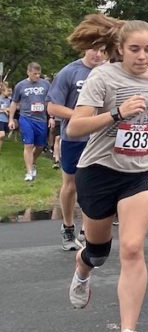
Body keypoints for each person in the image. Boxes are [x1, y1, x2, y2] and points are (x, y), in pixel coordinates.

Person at [64, 15, 148, 332]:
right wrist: (117, 114)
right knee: (99, 251)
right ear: (119, 49)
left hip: (143, 170)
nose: (142, 56)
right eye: (134, 49)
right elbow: (75, 127)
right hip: (100, 170)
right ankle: (83, 268)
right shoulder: (103, 77)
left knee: (133, 247)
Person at [47, 42, 109, 251]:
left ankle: (87, 230)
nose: (98, 55)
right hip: (75, 138)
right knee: (71, 184)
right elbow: (53, 107)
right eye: (94, 49)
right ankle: (67, 227)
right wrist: (81, 117)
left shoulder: (110, 72)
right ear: (85, 49)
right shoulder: (70, 72)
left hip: (101, 138)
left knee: (94, 185)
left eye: (103, 51)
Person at [10, 62, 52, 181]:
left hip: (41, 119)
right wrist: (11, 119)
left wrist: (52, 117)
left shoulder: (46, 84)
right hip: (26, 118)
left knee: (40, 145)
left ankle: (31, 162)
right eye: (35, 73)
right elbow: (14, 102)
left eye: (39, 73)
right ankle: (29, 172)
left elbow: (50, 101)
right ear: (28, 72)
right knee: (28, 144)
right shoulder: (20, 85)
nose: (37, 76)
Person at [0, 82, 11, 150]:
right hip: (0, 119)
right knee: (2, 134)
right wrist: (3, 110)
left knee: (2, 137)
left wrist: (8, 110)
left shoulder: (8, 100)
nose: (9, 92)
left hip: (6, 120)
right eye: (7, 91)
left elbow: (10, 109)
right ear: (3, 91)